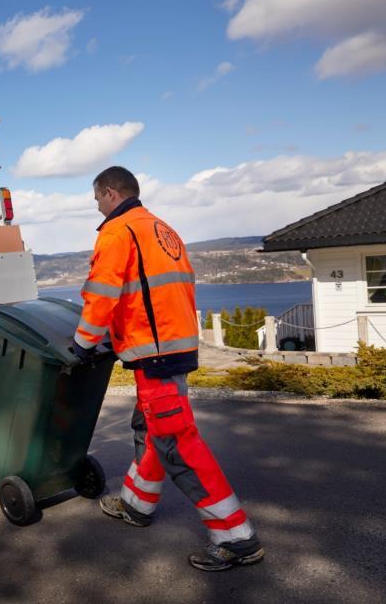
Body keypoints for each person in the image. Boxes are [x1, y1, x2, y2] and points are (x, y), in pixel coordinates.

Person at [72, 166, 264, 571]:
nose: (97, 207)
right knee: (155, 430)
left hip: (154, 353)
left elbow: (102, 293)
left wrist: (83, 344)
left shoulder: (117, 231)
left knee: (178, 442)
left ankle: (236, 538)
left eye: (96, 199)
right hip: (175, 348)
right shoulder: (162, 229)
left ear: (109, 193)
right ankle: (137, 504)